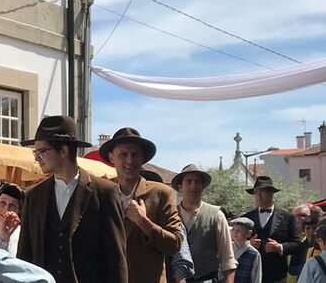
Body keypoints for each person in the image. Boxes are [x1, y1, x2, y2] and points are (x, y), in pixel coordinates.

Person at [16, 115, 128, 283]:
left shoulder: (105, 192)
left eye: (41, 151)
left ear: (63, 151)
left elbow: (115, 259)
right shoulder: (34, 195)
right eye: (35, 152)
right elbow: (25, 255)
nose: (37, 158)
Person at [100, 127, 183, 283]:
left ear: (143, 158)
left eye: (135, 154)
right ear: (112, 158)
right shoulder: (101, 193)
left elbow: (175, 244)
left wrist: (142, 221)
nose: (129, 161)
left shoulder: (161, 193)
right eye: (123, 155)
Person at [171, 164, 236, 283]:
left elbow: (227, 259)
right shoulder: (170, 215)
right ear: (180, 188)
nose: (193, 186)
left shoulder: (216, 215)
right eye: (189, 182)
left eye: (197, 182)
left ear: (202, 187)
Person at [242, 176, 305, 283]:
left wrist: (279, 247)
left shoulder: (288, 217)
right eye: (256, 192)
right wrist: (249, 244)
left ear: (271, 193)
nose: (258, 196)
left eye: (262, 192)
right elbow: (237, 243)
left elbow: (298, 245)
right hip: (251, 273)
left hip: (277, 275)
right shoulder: (247, 217)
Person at [0, 183, 24, 255]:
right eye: (3, 202)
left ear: (18, 211)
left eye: (13, 205)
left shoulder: (23, 235)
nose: (6, 209)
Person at [230, 217, 262, 283]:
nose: (235, 232)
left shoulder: (254, 253)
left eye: (239, 230)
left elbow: (256, 276)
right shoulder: (227, 248)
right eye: (233, 229)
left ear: (249, 233)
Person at [291, 218, 322, 282]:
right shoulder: (298, 247)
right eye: (308, 228)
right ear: (304, 230)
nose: (311, 231)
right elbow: (291, 269)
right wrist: (305, 267)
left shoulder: (322, 246)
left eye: (314, 228)